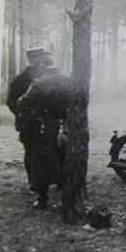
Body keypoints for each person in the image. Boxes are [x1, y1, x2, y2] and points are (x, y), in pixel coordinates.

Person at [17, 53, 74, 209]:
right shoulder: (69, 80)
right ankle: (68, 194)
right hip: (67, 125)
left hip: (45, 126)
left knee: (42, 161)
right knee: (64, 157)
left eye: (36, 67)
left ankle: (42, 198)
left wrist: (34, 117)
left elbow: (22, 103)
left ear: (41, 66)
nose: (35, 70)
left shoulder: (39, 83)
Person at [6, 47, 47, 188]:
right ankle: (33, 183)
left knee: (47, 151)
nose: (43, 63)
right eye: (40, 60)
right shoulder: (19, 80)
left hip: (44, 121)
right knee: (30, 152)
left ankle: (46, 181)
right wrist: (22, 113)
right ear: (34, 61)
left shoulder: (45, 77)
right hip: (27, 123)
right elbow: (10, 101)